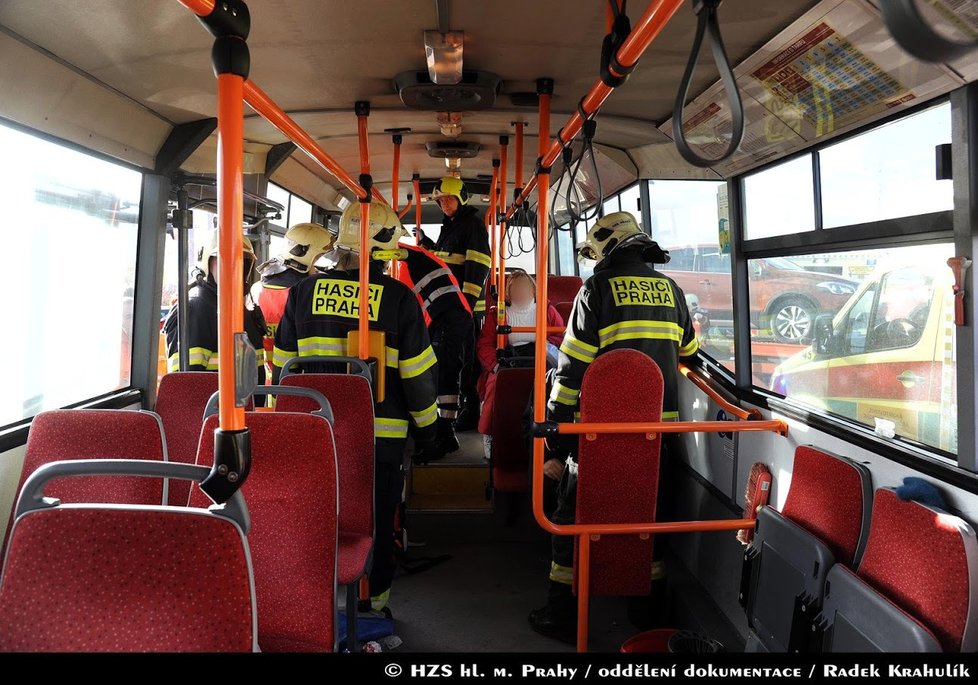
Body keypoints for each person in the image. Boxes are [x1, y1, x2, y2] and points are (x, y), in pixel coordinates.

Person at [527, 211, 699, 643]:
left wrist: (556, 429)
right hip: (657, 431)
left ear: (606, 247)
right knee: (648, 518)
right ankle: (647, 612)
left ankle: (562, 613)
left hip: (597, 431)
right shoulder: (672, 289)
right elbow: (691, 354)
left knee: (573, 516)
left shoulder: (596, 290)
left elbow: (572, 369)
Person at [272, 200, 438, 616]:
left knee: (314, 517)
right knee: (375, 521)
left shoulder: (301, 293)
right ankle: (372, 606)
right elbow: (417, 376)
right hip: (379, 436)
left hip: (313, 433)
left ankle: (312, 606)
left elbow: (281, 371)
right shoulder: (398, 299)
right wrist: (429, 430)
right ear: (384, 253)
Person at [391, 237, 473, 461]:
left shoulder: (409, 254)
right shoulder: (400, 265)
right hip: (444, 316)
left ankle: (445, 435)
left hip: (451, 315)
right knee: (442, 372)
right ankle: (442, 433)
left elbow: (410, 256)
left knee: (444, 373)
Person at [163, 229, 267, 387]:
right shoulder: (197, 308)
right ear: (207, 263)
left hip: (243, 408)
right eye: (225, 260)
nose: (234, 268)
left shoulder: (233, 307)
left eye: (241, 262)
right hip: (212, 410)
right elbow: (186, 386)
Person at [476, 271, 564, 448]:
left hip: (540, 358)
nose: (520, 291)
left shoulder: (546, 311)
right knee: (495, 386)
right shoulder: (498, 314)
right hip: (509, 359)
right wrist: (494, 365)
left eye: (524, 287)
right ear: (508, 292)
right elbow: (485, 344)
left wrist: (545, 344)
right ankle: (489, 433)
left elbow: (560, 336)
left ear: (533, 290)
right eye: (515, 288)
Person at [431, 176, 491, 430]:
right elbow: (446, 261)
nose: (444, 204)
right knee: (451, 358)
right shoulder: (451, 226)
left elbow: (478, 264)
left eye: (449, 199)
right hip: (449, 307)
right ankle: (452, 410)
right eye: (441, 200)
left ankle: (470, 409)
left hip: (465, 308)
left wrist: (465, 303)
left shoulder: (471, 225)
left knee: (467, 361)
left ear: (461, 199)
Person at [254, 222, 334, 380]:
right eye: (320, 257)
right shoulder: (309, 297)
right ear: (309, 256)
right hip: (297, 382)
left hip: (264, 380)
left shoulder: (255, 290)